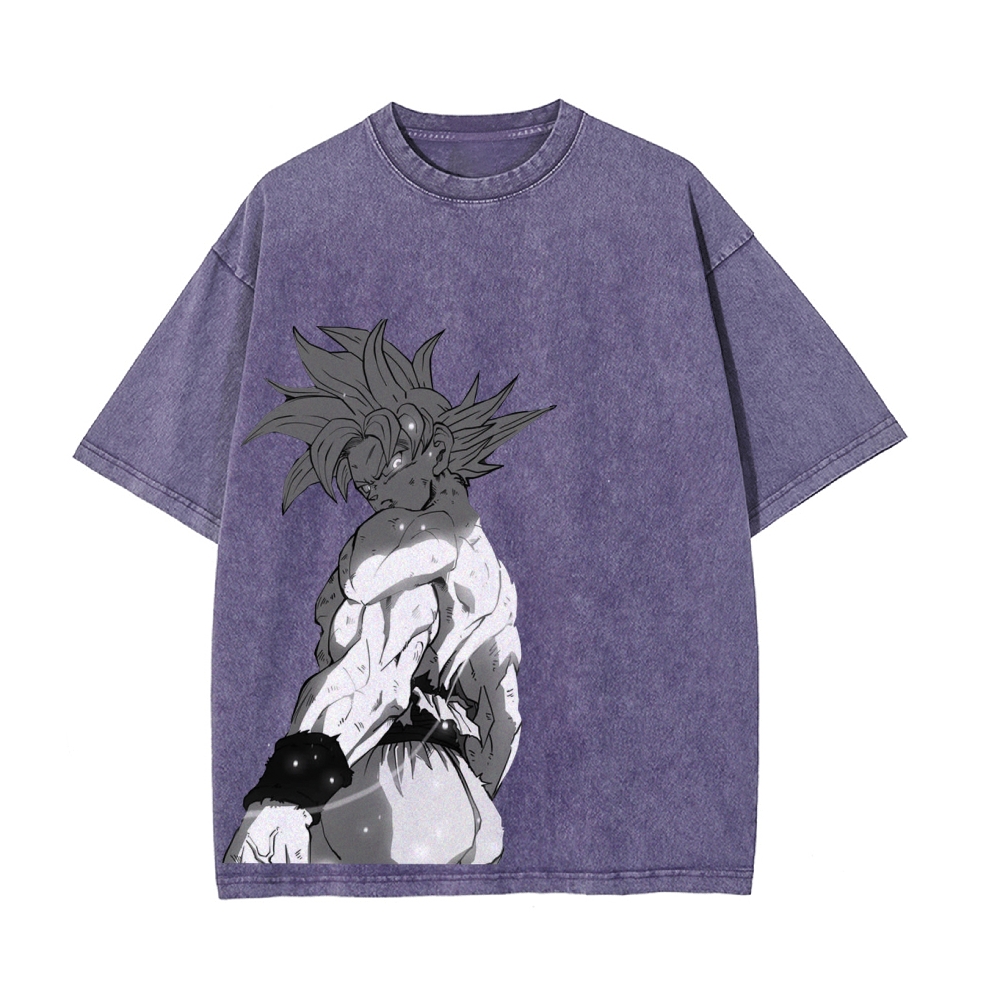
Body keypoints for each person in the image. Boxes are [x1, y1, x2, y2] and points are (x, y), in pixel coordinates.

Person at [224, 320, 553, 864]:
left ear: (434, 449)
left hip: (391, 785)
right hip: (462, 802)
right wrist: (476, 790)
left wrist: (287, 794)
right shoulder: (480, 563)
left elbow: (375, 672)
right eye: (366, 484)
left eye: (385, 467)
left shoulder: (408, 552)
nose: (375, 492)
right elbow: (504, 716)